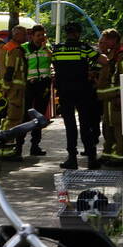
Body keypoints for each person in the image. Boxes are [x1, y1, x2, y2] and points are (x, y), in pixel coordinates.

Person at [51, 21, 108, 170]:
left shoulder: (57, 49)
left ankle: (72, 159)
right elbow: (103, 61)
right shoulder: (83, 48)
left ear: (66, 33)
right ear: (78, 34)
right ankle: (91, 158)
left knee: (70, 126)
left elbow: (53, 65)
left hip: (64, 92)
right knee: (85, 125)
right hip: (83, 91)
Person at [0, 24, 30, 161]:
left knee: (7, 119)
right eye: (24, 34)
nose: (26, 37)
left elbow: (2, 70)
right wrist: (7, 88)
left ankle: (4, 147)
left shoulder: (5, 48)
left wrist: (3, 88)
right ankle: (5, 150)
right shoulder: (15, 50)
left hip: (9, 90)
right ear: (16, 35)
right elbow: (11, 70)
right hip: (14, 91)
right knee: (13, 119)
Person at [96, 29, 123, 167]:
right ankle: (108, 153)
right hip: (107, 99)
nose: (103, 43)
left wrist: (121, 95)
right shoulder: (109, 56)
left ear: (113, 41)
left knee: (118, 128)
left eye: (106, 40)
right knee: (108, 126)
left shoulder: (121, 57)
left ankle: (120, 156)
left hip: (116, 99)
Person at [22, 25, 53, 156]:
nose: (41, 38)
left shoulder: (47, 48)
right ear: (32, 36)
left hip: (43, 85)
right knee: (25, 115)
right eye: (38, 35)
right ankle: (19, 145)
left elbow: (52, 60)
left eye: (43, 35)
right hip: (29, 85)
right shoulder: (24, 48)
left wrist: (45, 47)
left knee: (40, 115)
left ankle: (35, 146)